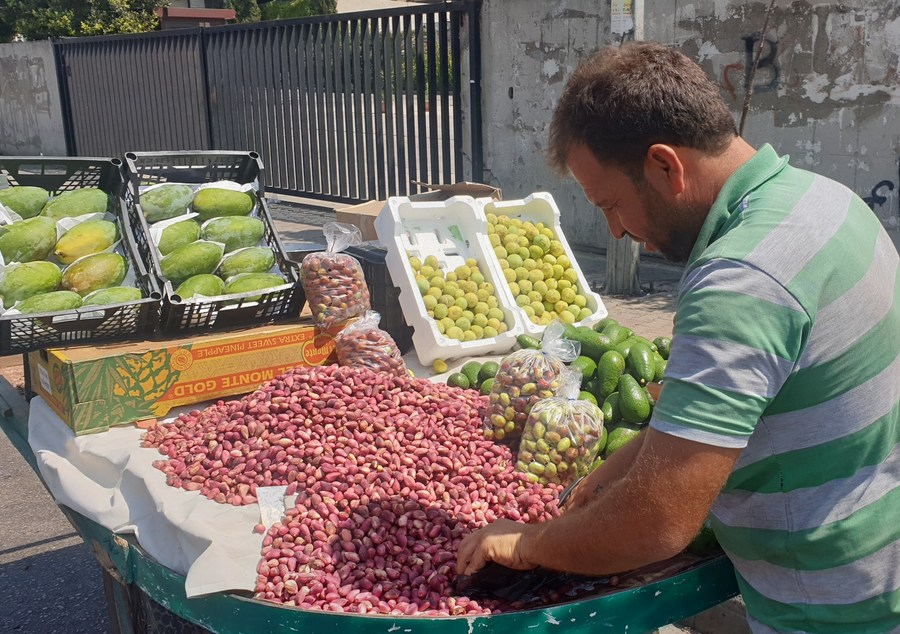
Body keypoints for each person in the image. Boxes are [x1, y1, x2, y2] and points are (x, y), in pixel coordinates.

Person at [456, 42, 899, 633]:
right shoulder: (825, 200)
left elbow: (657, 524)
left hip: (829, 606)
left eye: (611, 204)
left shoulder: (741, 281)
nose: (618, 231)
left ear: (666, 165)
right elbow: (764, 405)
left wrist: (530, 543)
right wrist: (622, 465)